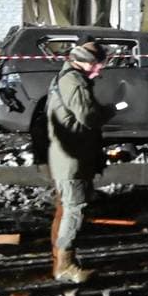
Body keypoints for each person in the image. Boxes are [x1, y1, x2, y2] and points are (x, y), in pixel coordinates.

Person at [45, 41, 114, 283]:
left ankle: (61, 260)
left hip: (68, 154)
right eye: (96, 65)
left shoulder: (67, 78)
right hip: (71, 157)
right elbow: (88, 116)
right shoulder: (73, 80)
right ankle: (65, 266)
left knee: (66, 208)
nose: (98, 71)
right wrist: (110, 110)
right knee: (74, 209)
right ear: (80, 61)